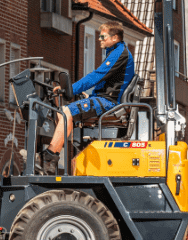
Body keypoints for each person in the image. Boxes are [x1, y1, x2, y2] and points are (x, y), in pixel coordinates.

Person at [40, 21, 135, 173]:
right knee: (63, 111)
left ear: (115, 37)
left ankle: (50, 157)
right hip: (105, 99)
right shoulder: (115, 51)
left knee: (66, 113)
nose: (100, 39)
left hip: (109, 103)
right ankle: (56, 153)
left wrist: (69, 88)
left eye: (103, 36)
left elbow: (96, 77)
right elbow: (109, 82)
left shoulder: (119, 53)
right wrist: (89, 95)